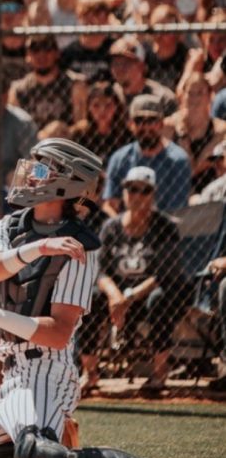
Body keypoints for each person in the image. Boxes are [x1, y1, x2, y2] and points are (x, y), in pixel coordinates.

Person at [0, 137, 203, 458]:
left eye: (42, 169)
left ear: (66, 182)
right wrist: (39, 247)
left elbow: (59, 334)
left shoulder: (81, 247)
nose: (30, 175)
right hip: (11, 380)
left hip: (48, 373)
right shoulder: (9, 227)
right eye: (33, 167)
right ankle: (46, 441)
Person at [78, 165, 186, 396]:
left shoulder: (165, 227)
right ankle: (90, 373)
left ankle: (159, 374)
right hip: (117, 297)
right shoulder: (111, 227)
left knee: (159, 301)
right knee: (89, 298)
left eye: (143, 190)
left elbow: (163, 275)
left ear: (153, 194)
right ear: (124, 192)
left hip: (149, 294)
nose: (136, 196)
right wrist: (115, 295)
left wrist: (129, 297)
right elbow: (99, 270)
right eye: (131, 189)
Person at [103, 94, 192, 215]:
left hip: (165, 227)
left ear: (161, 124)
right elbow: (110, 205)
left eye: (151, 120)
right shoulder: (119, 159)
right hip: (126, 227)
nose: (145, 126)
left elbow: (177, 210)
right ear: (130, 125)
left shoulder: (178, 160)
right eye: (139, 120)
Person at [8, 33, 88, 130]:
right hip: (31, 142)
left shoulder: (74, 84)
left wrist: (62, 132)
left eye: (47, 49)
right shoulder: (18, 89)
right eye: (35, 50)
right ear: (27, 56)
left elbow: (82, 123)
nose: (41, 55)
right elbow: (14, 127)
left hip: (63, 141)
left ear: (57, 53)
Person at [164, 73, 226, 195]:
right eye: (190, 93)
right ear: (182, 96)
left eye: (200, 93)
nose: (194, 98)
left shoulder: (220, 129)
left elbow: (192, 170)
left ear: (210, 96)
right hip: (174, 189)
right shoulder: (168, 126)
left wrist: (183, 138)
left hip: (207, 191)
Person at [108, 34, 176, 117]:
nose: (119, 68)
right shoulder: (110, 95)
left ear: (141, 66)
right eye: (115, 63)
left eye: (126, 63)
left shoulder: (163, 98)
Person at [59, 0, 115, 83]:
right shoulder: (68, 53)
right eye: (85, 13)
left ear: (106, 17)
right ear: (78, 16)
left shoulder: (114, 50)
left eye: (97, 13)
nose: (91, 18)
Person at [70, 80, 130, 161]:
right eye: (96, 105)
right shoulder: (79, 134)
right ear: (88, 108)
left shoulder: (126, 134)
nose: (102, 110)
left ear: (116, 106)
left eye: (108, 105)